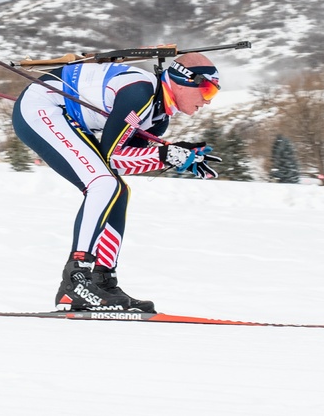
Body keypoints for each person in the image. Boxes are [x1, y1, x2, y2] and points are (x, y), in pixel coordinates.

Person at [12, 52, 223, 313]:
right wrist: (167, 155)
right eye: (207, 89)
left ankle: (102, 280)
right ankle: (76, 280)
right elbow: (112, 155)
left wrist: (172, 155)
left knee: (117, 190)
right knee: (103, 185)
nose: (207, 101)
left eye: (213, 94)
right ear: (184, 80)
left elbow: (119, 162)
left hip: (65, 116)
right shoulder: (140, 93)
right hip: (41, 107)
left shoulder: (157, 118)